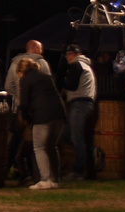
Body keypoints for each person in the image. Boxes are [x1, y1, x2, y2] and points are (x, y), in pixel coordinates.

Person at [18, 57, 66, 190]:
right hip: (59, 114)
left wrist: (27, 118)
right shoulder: (45, 76)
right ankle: (55, 180)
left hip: (42, 115)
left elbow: (24, 103)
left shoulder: (25, 79)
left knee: (39, 146)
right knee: (51, 146)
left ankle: (45, 179)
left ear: (20, 72)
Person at [61, 44, 96, 180]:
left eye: (69, 54)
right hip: (85, 103)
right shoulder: (86, 66)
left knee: (76, 137)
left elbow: (72, 85)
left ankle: (78, 171)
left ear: (75, 54)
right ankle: (89, 154)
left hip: (79, 104)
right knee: (69, 134)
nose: (67, 57)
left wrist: (64, 87)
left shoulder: (77, 65)